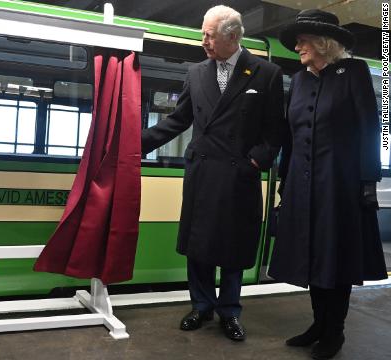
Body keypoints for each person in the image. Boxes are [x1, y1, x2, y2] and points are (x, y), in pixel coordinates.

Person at [141, 5, 284, 341]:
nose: (202, 40)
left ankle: (229, 311)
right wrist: (136, 144)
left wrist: (256, 161)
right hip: (203, 172)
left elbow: (275, 131)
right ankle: (201, 306)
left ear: (232, 36)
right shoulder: (196, 73)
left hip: (238, 175)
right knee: (199, 244)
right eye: (203, 32)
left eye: (209, 34)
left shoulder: (266, 73)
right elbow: (179, 119)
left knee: (233, 247)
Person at [268, 9, 388, 360]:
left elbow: (370, 128)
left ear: (324, 43)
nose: (298, 47)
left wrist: (368, 182)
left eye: (303, 40)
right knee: (311, 257)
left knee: (337, 260)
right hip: (302, 187)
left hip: (341, 186)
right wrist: (285, 180)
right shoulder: (301, 80)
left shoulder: (353, 72)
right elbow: (291, 135)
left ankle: (334, 332)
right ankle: (318, 324)